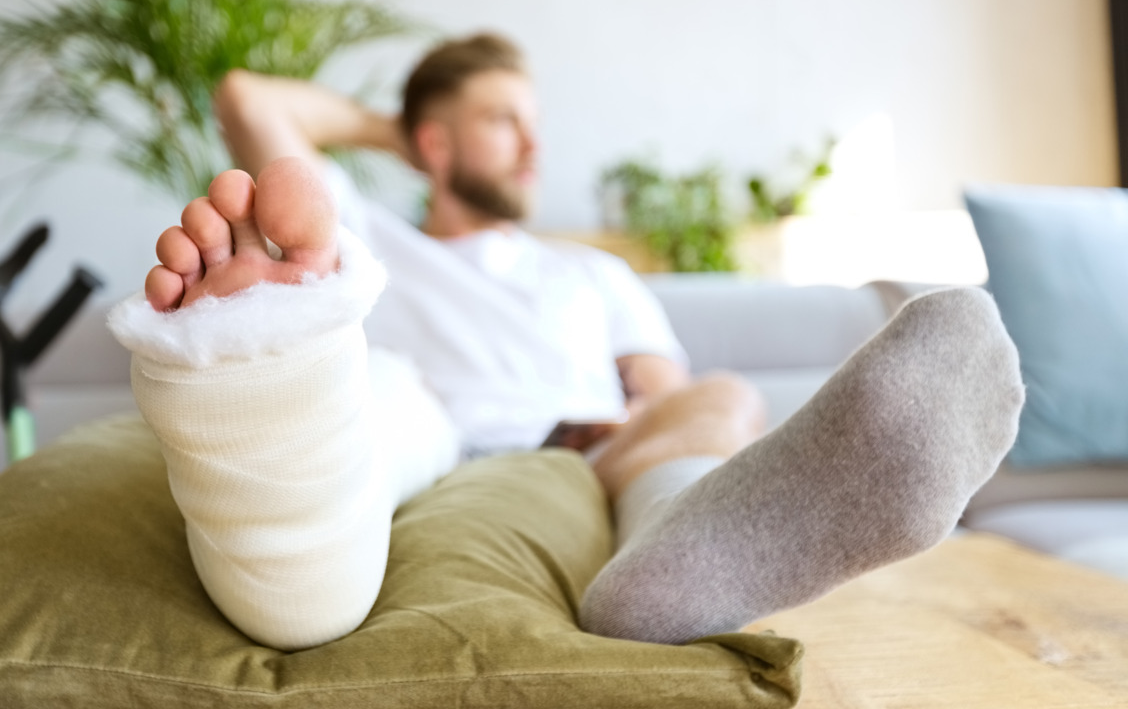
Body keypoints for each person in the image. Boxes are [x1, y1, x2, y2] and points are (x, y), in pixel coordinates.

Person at [106, 33, 1025, 652]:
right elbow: (244, 96)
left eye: (532, 124)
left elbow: (662, 393)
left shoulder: (593, 276)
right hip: (441, 433)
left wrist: (635, 427)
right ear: (433, 143)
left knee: (719, 398)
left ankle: (671, 555)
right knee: (377, 380)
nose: (533, 147)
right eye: (504, 121)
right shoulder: (373, 244)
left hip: (597, 452)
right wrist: (407, 136)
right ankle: (280, 427)